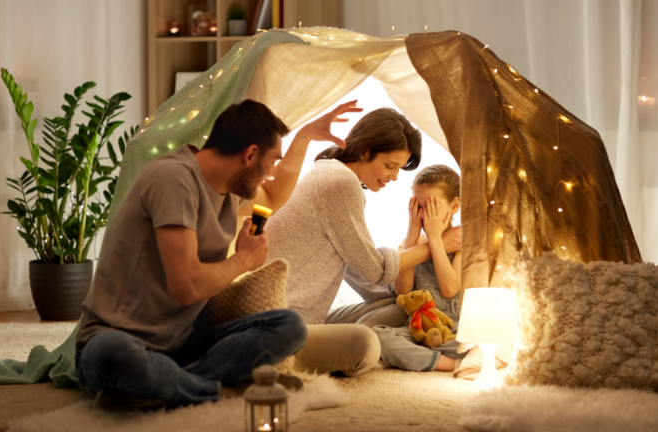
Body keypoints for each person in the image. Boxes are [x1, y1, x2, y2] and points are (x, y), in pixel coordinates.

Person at [75, 99, 360, 409]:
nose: (272, 171)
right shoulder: (173, 178)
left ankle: (164, 387)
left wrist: (304, 137)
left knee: (289, 327)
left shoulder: (226, 190)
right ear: (250, 154)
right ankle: (212, 390)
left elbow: (275, 195)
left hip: (180, 344)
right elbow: (186, 288)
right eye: (272, 160)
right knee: (115, 355)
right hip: (114, 340)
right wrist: (242, 261)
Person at [265, 108, 462, 377]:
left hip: (295, 317)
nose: (394, 177)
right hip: (278, 324)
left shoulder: (329, 172)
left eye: (398, 169)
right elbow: (375, 270)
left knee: (395, 305)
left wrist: (401, 297)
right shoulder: (340, 182)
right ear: (364, 151)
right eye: (390, 166)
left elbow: (358, 267)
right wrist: (435, 244)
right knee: (367, 345)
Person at [372, 165, 466, 372]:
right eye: (419, 207)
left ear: (454, 205)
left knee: (478, 344)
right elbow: (403, 292)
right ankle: (450, 365)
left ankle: (428, 359)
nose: (425, 215)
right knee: (376, 337)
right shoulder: (414, 245)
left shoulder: (462, 241)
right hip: (418, 331)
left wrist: (435, 239)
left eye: (432, 205)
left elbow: (450, 289)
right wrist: (412, 237)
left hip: (453, 332)